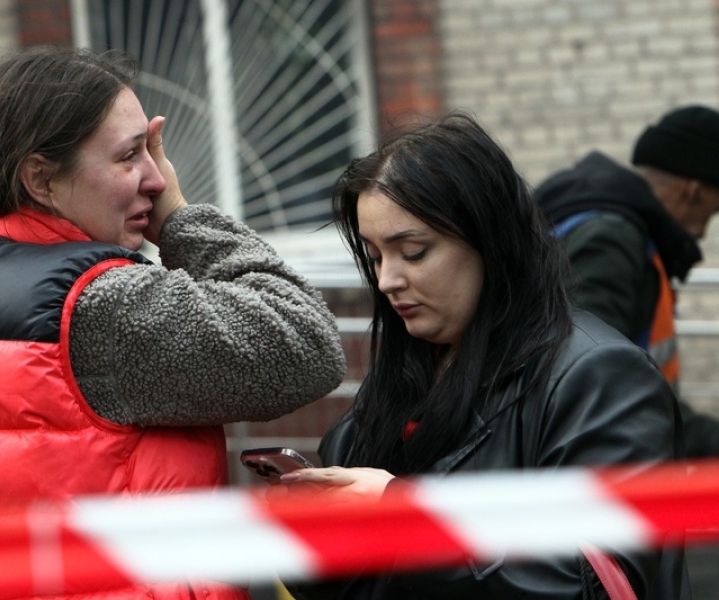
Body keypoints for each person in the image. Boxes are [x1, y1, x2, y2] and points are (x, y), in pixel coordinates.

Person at [0, 47, 346, 599]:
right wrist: (181, 220)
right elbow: (305, 343)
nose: (157, 178)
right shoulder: (97, 307)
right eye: (130, 155)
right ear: (41, 179)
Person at [278, 113, 687, 598]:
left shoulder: (597, 374)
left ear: (489, 241)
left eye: (413, 252)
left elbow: (595, 583)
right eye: (374, 257)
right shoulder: (408, 371)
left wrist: (406, 513)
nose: (387, 280)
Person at [535, 105, 719, 457]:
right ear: (692, 192)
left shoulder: (619, 227)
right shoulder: (612, 239)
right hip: (610, 459)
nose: (700, 233)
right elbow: (599, 380)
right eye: (711, 213)